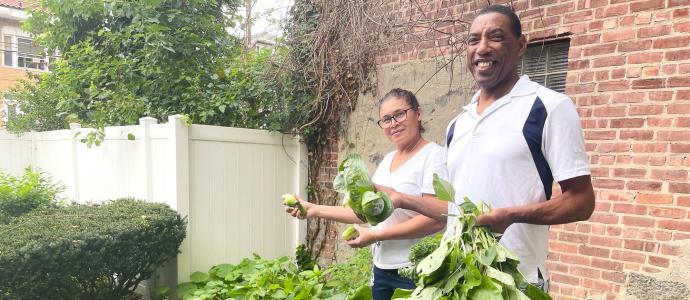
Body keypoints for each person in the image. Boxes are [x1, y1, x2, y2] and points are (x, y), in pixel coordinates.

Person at [382, 4, 595, 292]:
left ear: (520, 46)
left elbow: (581, 201)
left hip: (517, 282)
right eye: (473, 40)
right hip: (458, 280)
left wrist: (511, 216)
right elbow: (454, 207)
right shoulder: (458, 123)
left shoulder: (547, 107)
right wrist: (403, 199)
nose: (482, 48)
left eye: (495, 37)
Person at [284, 88, 448, 300]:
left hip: (417, 269)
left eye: (400, 114)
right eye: (386, 119)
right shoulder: (388, 160)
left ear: (417, 113)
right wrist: (313, 209)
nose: (393, 123)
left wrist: (376, 235)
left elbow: (437, 220)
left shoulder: (434, 156)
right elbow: (363, 213)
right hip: (382, 268)